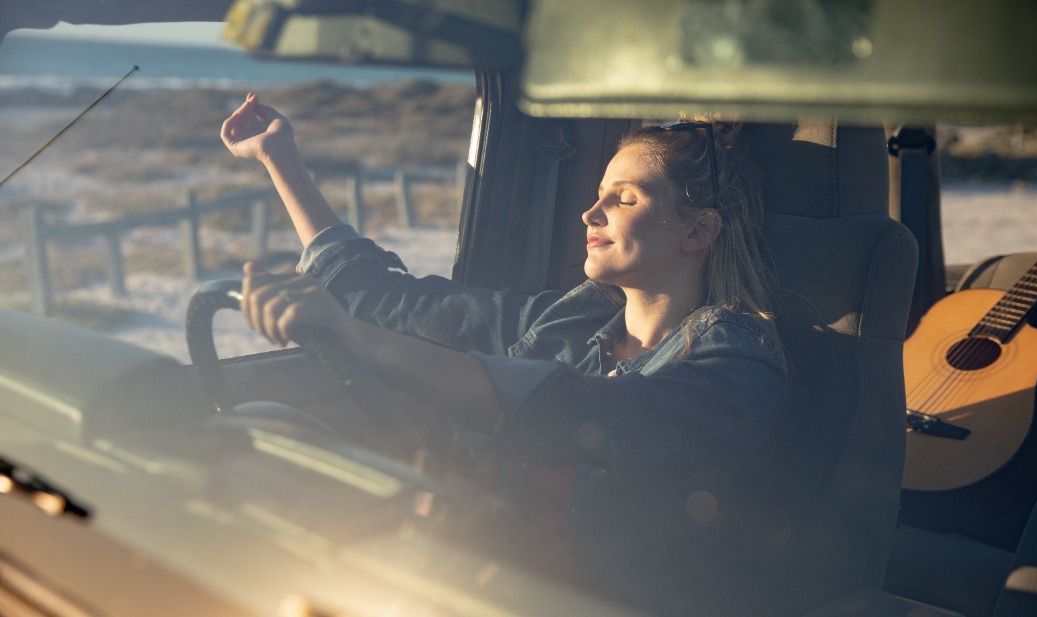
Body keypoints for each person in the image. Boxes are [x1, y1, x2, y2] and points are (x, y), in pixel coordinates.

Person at [220, 92, 787, 615]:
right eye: (597, 194)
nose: (591, 213)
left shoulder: (737, 365)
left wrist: (364, 342)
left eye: (624, 198)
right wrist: (280, 158)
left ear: (698, 231)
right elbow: (389, 299)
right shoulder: (568, 321)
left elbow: (585, 415)